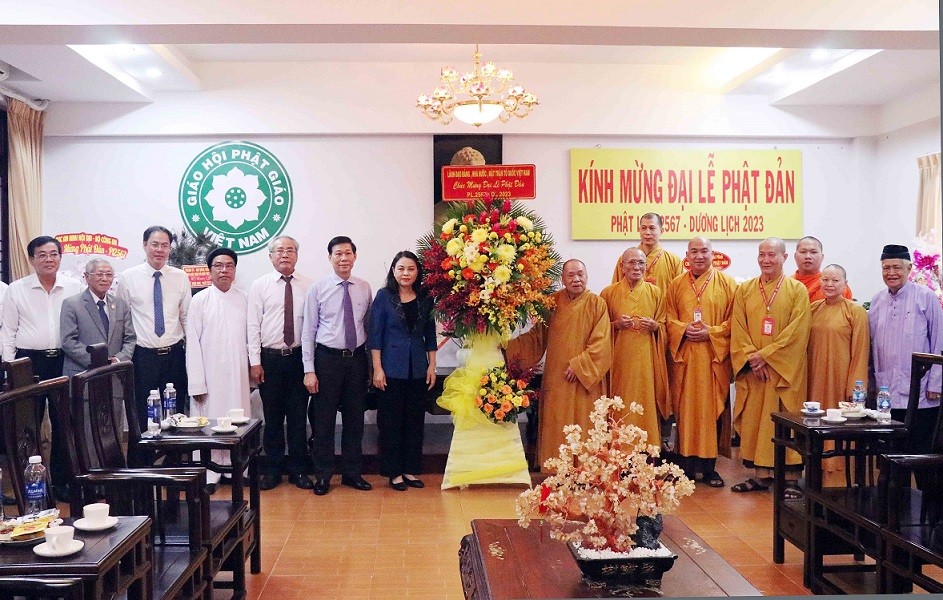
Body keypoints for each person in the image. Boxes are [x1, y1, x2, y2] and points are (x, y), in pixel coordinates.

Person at [505, 259, 612, 472]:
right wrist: (506, 346)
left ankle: (587, 470)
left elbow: (602, 342)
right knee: (557, 422)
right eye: (571, 275)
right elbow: (537, 337)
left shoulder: (597, 303)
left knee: (586, 422)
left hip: (584, 379)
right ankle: (557, 469)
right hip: (557, 376)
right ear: (562, 278)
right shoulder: (552, 303)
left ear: (587, 276)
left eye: (580, 274)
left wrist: (580, 365)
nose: (576, 279)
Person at [1, 235, 83, 500]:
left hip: (64, 359)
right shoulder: (17, 289)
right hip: (28, 362)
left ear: (60, 257)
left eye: (53, 254)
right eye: (42, 255)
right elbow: (8, 331)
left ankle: (61, 482)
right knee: (27, 424)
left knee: (64, 422)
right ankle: (31, 484)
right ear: (31, 259)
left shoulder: (73, 287)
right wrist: (11, 367)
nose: (49, 259)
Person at [731, 238, 810, 497]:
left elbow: (797, 332)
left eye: (772, 255)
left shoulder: (797, 290)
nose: (766, 260)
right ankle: (761, 475)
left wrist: (765, 356)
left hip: (783, 370)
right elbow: (738, 328)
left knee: (784, 418)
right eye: (762, 255)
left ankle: (789, 477)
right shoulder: (745, 290)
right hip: (756, 372)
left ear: (784, 258)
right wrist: (751, 358)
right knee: (757, 420)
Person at [302, 236, 373, 495]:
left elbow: (367, 326)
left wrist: (370, 366)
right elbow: (308, 331)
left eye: (348, 253)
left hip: (356, 360)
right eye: (338, 254)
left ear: (355, 256)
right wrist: (309, 369)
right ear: (330, 258)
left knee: (355, 419)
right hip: (327, 360)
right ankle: (323, 475)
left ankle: (352, 473)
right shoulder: (318, 288)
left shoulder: (365, 287)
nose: (343, 258)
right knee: (324, 421)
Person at [665, 237, 737, 487]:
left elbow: (734, 322)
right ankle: (684, 466)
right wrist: (683, 329)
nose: (699, 256)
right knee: (685, 411)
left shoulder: (728, 284)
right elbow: (668, 319)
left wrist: (712, 332)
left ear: (712, 254)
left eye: (704, 251)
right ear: (687, 255)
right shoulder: (675, 285)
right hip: (684, 359)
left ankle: (709, 468)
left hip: (712, 359)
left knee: (710, 412)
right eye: (694, 251)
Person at [247, 236, 314, 491]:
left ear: (296, 255)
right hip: (270, 360)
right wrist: (255, 362)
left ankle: (299, 470)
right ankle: (272, 470)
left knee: (298, 417)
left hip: (298, 358)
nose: (285, 255)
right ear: (270, 256)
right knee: (272, 418)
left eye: (290, 250)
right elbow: (253, 326)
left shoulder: (309, 285)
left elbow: (313, 327)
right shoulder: (260, 286)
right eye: (279, 251)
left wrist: (311, 366)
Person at [368, 251, 437, 491]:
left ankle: (410, 469)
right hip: (391, 368)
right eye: (401, 269)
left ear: (417, 272)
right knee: (390, 422)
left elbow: (430, 334)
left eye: (410, 269)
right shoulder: (384, 297)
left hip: (417, 368)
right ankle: (393, 472)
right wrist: (377, 369)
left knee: (414, 421)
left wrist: (432, 365)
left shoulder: (426, 298)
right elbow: (374, 336)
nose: (405, 273)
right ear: (393, 271)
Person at [869, 244, 942, 460]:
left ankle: (925, 494)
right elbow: (873, 346)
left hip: (921, 393)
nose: (891, 273)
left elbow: (939, 339)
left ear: (909, 269)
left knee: (920, 453)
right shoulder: (876, 301)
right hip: (887, 393)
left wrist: (936, 383)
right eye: (886, 268)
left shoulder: (926, 297)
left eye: (896, 267)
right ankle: (894, 495)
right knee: (890, 454)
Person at [186, 248, 250, 494]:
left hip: (238, 375)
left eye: (229, 266)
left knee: (238, 418)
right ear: (210, 270)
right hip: (209, 376)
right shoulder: (199, 301)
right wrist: (197, 384)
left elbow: (250, 339)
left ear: (234, 270)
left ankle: (237, 470)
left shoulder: (244, 299)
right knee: (210, 421)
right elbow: (192, 345)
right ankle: (210, 472)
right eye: (218, 266)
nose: (224, 270)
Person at [117, 226, 191, 430]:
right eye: (155, 244)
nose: (159, 250)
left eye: (165, 245)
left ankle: (174, 458)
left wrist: (192, 352)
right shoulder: (128, 277)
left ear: (170, 248)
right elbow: (123, 320)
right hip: (142, 357)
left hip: (174, 354)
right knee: (142, 414)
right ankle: (142, 460)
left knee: (175, 414)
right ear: (144, 245)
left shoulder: (180, 277)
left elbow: (185, 317)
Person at [601, 247, 669, 447]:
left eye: (641, 263)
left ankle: (646, 450)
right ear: (622, 266)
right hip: (618, 360)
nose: (636, 267)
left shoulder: (656, 293)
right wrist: (615, 325)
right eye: (631, 262)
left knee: (646, 403)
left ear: (646, 267)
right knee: (618, 403)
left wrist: (655, 327)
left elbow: (665, 326)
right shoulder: (608, 293)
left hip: (646, 360)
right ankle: (618, 450)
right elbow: (599, 329)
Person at [807, 263, 869, 473]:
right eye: (825, 280)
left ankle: (839, 469)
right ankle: (815, 465)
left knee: (839, 422)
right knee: (816, 419)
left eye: (835, 280)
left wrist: (855, 389)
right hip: (815, 377)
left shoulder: (855, 312)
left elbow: (861, 352)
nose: (830, 284)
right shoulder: (813, 308)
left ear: (845, 283)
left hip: (841, 379)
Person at [60, 259, 136, 377]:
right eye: (99, 274)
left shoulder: (120, 304)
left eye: (109, 274)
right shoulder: (71, 304)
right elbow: (68, 341)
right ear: (86, 277)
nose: (105, 279)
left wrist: (118, 359)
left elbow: (130, 338)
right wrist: (99, 361)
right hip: (84, 374)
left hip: (116, 373)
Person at [611, 212, 684, 291]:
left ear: (661, 231)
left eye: (652, 228)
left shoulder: (673, 261)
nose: (647, 232)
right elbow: (615, 291)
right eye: (643, 228)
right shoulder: (625, 259)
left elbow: (681, 293)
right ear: (639, 230)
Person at [792, 236, 853, 301]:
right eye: (803, 252)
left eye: (813, 252)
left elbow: (848, 309)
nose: (808, 256)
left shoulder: (837, 286)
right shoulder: (787, 285)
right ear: (795, 256)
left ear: (822, 257)